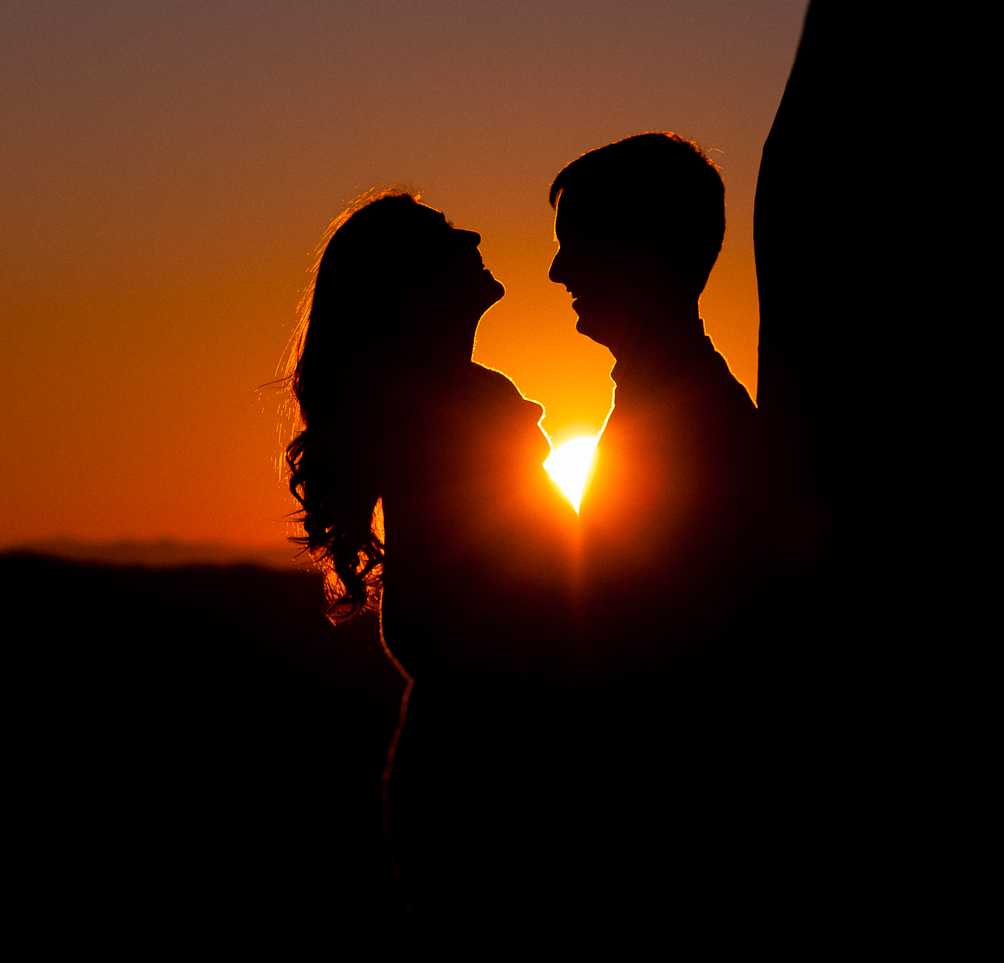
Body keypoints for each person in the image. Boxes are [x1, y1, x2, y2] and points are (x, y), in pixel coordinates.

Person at [282, 189, 574, 942]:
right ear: (408, 286)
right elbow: (467, 623)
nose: (473, 228)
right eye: (444, 233)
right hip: (492, 795)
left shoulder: (458, 411)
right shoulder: (449, 425)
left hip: (468, 778)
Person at [545, 132, 777, 672]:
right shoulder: (677, 406)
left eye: (575, 244)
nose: (558, 272)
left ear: (638, 249)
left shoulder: (691, 431)